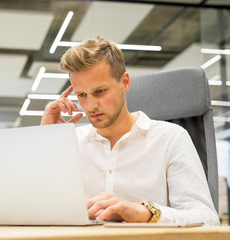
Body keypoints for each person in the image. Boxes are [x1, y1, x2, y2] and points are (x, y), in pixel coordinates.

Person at [41, 36, 219, 225]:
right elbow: (36, 210)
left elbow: (207, 219)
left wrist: (146, 213)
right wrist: (46, 144)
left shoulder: (170, 138)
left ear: (125, 83)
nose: (91, 105)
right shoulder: (71, 142)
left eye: (100, 91)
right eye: (82, 95)